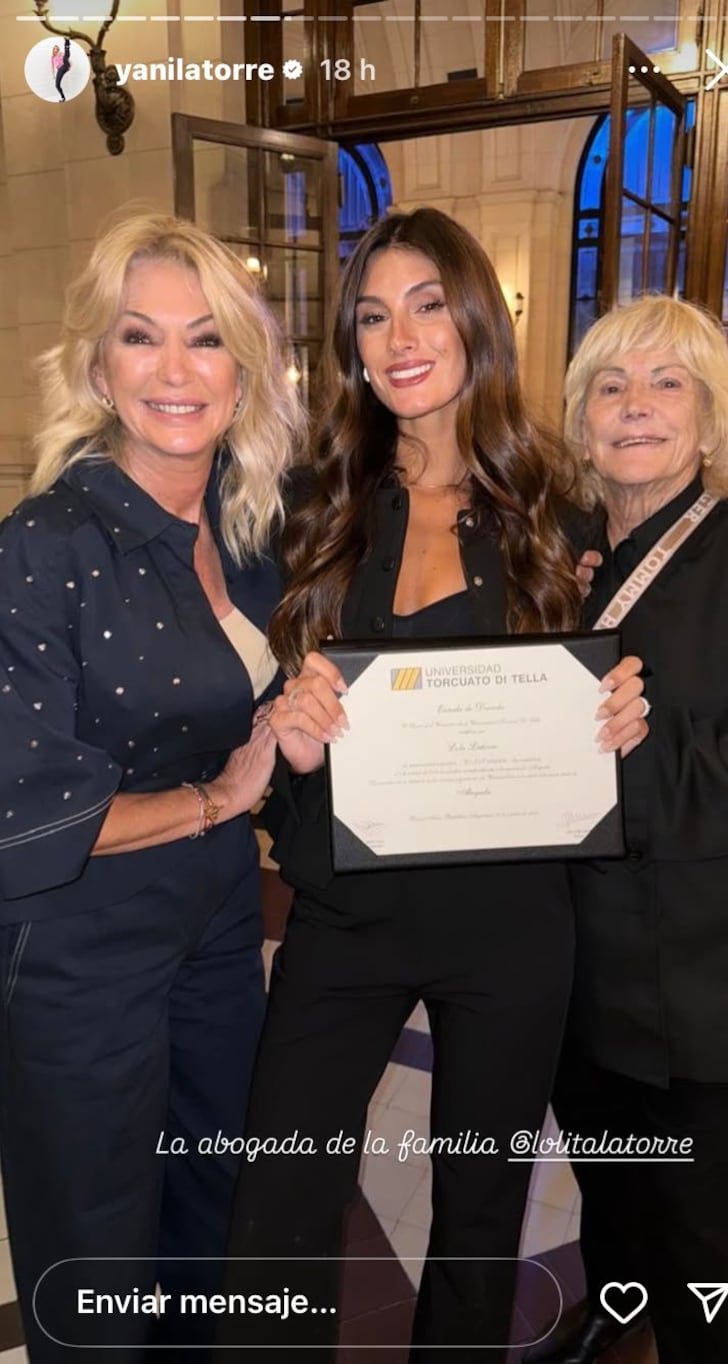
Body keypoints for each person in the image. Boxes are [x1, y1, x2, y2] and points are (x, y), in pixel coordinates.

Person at [217, 207, 648, 1363]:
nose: (397, 335)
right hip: (345, 909)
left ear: (472, 321)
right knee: (277, 1200)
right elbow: (264, 692)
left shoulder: (554, 507)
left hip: (510, 922)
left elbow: (608, 692)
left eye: (422, 305)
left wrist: (618, 711)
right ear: (352, 343)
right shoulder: (318, 501)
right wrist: (289, 738)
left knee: (476, 1221)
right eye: (371, 313)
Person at [0, 213, 303, 1360]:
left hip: (218, 928)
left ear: (244, 367)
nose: (176, 371)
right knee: (96, 1252)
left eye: (207, 339)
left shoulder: (248, 525)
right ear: (95, 365)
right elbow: (17, 811)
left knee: (208, 1219)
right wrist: (217, 800)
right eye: (141, 338)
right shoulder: (44, 543)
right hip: (80, 946)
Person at [523, 295, 728, 1364]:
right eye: (609, 386)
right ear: (579, 424)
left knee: (693, 1211)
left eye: (667, 382)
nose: (635, 407)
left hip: (705, 963)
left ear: (714, 420)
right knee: (611, 1186)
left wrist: (644, 746)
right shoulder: (553, 556)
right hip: (575, 957)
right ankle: (612, 1329)